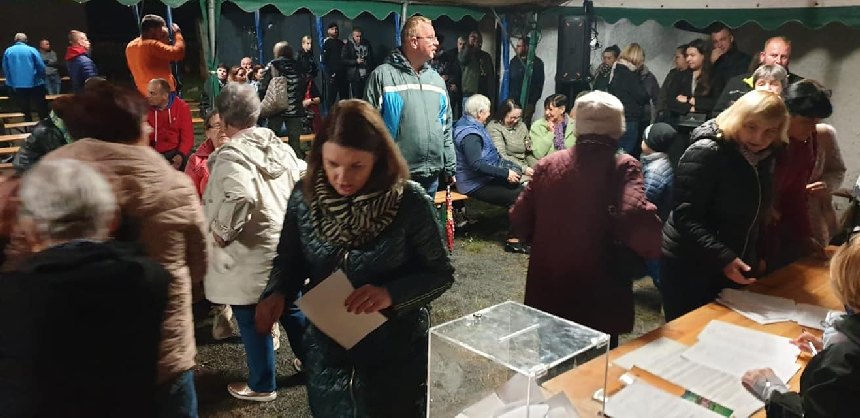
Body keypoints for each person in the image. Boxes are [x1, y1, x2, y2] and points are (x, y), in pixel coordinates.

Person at [255, 99, 454, 417]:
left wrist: (390, 294)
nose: (342, 177)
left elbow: (440, 274)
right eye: (332, 163)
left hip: (396, 355)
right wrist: (276, 291)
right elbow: (289, 259)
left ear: (379, 158)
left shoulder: (409, 202)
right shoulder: (305, 196)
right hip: (328, 354)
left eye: (356, 166)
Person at [42, 82, 207, 417]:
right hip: (163, 351)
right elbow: (199, 266)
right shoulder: (174, 186)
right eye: (143, 121)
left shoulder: (47, 178)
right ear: (128, 128)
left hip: (78, 353)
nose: (150, 128)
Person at [0, 159, 171, 417]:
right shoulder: (148, 279)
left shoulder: (16, 295)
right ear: (110, 219)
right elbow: (129, 250)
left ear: (32, 228)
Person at [510, 91, 662, 347]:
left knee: (551, 358)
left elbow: (519, 218)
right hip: (600, 290)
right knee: (597, 364)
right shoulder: (623, 166)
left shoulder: (549, 164)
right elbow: (639, 223)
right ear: (617, 128)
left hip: (551, 283)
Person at [204, 82, 307, 402]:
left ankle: (262, 385)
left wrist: (222, 231)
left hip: (250, 255)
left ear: (223, 120)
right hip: (284, 250)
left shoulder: (232, 156)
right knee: (292, 309)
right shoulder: (279, 147)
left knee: (252, 318)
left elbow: (241, 195)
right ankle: (314, 364)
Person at [660, 90, 789, 321]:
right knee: (688, 331)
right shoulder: (707, 151)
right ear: (737, 118)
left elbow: (753, 212)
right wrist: (724, 257)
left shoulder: (762, 156)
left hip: (727, 261)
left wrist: (755, 253)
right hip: (689, 262)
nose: (759, 138)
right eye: (751, 127)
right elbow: (685, 216)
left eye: (769, 131)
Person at [741, 239, 860, 418]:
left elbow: (809, 414)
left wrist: (772, 391)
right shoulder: (847, 351)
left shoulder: (845, 360)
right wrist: (831, 349)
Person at [365, 15, 455, 196]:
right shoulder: (383, 76)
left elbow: (445, 126)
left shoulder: (437, 81)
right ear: (413, 42)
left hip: (431, 175)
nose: (437, 43)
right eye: (431, 37)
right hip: (396, 176)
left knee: (426, 215)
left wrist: (450, 166)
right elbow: (368, 128)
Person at [764, 80, 837, 270]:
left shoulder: (806, 142)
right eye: (806, 122)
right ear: (785, 115)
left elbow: (795, 193)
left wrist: (804, 235)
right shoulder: (763, 141)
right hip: (754, 229)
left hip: (781, 229)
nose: (812, 129)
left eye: (817, 122)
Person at [455, 95, 527, 253]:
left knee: (521, 191)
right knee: (520, 196)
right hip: (473, 183)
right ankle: (514, 240)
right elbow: (476, 164)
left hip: (481, 178)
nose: (489, 114)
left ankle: (519, 233)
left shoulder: (470, 124)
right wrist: (505, 173)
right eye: (487, 111)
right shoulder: (471, 135)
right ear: (479, 113)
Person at [714, 37, 800, 113]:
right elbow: (717, 114)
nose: (778, 61)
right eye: (774, 55)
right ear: (762, 56)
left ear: (789, 59)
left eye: (784, 57)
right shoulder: (736, 83)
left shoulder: (799, 85)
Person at [640, 122, 677, 288]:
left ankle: (664, 286)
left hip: (654, 224)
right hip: (659, 220)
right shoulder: (659, 161)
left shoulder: (655, 171)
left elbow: (646, 199)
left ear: (651, 144)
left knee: (653, 257)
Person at [260, 41, 306, 159]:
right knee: (295, 142)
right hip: (295, 109)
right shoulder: (298, 66)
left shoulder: (273, 65)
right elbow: (303, 85)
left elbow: (263, 86)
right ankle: (297, 165)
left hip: (276, 108)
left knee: (271, 139)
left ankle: (273, 162)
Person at [664, 39, 724, 121]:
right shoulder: (680, 76)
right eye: (687, 55)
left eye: (692, 55)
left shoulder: (715, 76)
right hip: (680, 121)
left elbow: (716, 103)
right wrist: (691, 109)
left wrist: (690, 100)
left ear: (703, 56)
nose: (688, 59)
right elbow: (670, 101)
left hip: (705, 122)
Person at [608, 43, 650, 156]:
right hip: (629, 118)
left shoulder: (616, 71)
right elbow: (642, 95)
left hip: (616, 117)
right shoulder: (629, 74)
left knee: (617, 152)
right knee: (625, 153)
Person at [126, 15, 184, 96]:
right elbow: (178, 53)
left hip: (143, 93)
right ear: (152, 30)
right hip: (161, 94)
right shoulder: (151, 45)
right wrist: (178, 34)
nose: (162, 32)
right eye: (160, 29)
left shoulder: (130, 46)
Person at [146, 78, 194, 170]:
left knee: (190, 160)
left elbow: (187, 137)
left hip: (176, 151)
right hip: (153, 153)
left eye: (152, 93)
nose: (148, 96)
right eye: (148, 92)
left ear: (164, 96)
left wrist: (180, 155)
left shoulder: (182, 107)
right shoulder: (144, 108)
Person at [2, 33, 48, 122]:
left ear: (15, 40)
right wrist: (42, 77)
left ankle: (28, 125)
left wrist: (10, 82)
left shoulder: (8, 51)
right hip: (35, 82)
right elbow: (40, 66)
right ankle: (44, 124)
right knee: (41, 106)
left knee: (25, 108)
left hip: (18, 84)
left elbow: (5, 68)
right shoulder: (31, 50)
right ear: (26, 40)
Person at [12, 107, 74, 173]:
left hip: (42, 164)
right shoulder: (47, 131)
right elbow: (58, 158)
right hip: (29, 167)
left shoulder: (60, 125)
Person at [487, 98, 538, 174]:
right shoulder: (494, 127)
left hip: (524, 163)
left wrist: (538, 166)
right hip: (507, 167)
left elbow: (528, 152)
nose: (516, 120)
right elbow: (501, 156)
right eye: (512, 117)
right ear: (503, 114)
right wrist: (524, 169)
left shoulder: (521, 125)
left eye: (518, 117)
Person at [185, 110, 229, 197]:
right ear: (207, 132)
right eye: (217, 126)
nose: (222, 130)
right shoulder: (196, 161)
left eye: (227, 125)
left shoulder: (245, 154)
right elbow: (189, 196)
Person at [509, 36, 545, 126]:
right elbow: (510, 81)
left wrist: (532, 102)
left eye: (519, 46)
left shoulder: (537, 63)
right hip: (514, 101)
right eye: (516, 46)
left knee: (524, 125)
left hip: (529, 102)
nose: (516, 48)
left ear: (526, 47)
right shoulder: (514, 61)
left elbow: (539, 84)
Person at [530, 94, 575, 159]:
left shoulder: (575, 126)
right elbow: (538, 154)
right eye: (545, 109)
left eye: (550, 109)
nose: (547, 112)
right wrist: (550, 133)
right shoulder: (537, 126)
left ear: (562, 109)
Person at [431, 34, 462, 120]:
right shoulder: (426, 57)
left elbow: (455, 72)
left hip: (446, 89)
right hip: (431, 89)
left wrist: (450, 80)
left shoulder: (449, 57)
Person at [656, 43, 688, 121]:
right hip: (666, 113)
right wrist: (660, 110)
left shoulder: (691, 75)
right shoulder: (672, 74)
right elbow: (663, 93)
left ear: (685, 58)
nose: (675, 60)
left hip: (682, 115)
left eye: (677, 57)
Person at [298, 35, 322, 135]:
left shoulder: (311, 56)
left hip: (309, 82)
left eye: (311, 44)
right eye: (307, 43)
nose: (310, 46)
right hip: (302, 83)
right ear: (303, 44)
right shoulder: (300, 56)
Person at [341, 27, 374, 99]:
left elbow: (371, 58)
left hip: (367, 75)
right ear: (353, 36)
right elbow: (343, 60)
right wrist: (355, 61)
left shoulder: (367, 44)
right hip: (355, 76)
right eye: (357, 36)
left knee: (367, 97)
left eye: (360, 36)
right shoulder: (348, 46)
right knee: (356, 98)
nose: (359, 38)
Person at [322, 22, 347, 106]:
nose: (335, 31)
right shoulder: (326, 43)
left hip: (343, 75)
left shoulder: (341, 43)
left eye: (336, 29)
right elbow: (325, 60)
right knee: (331, 99)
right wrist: (330, 74)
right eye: (332, 29)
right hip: (333, 76)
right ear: (328, 31)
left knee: (344, 99)